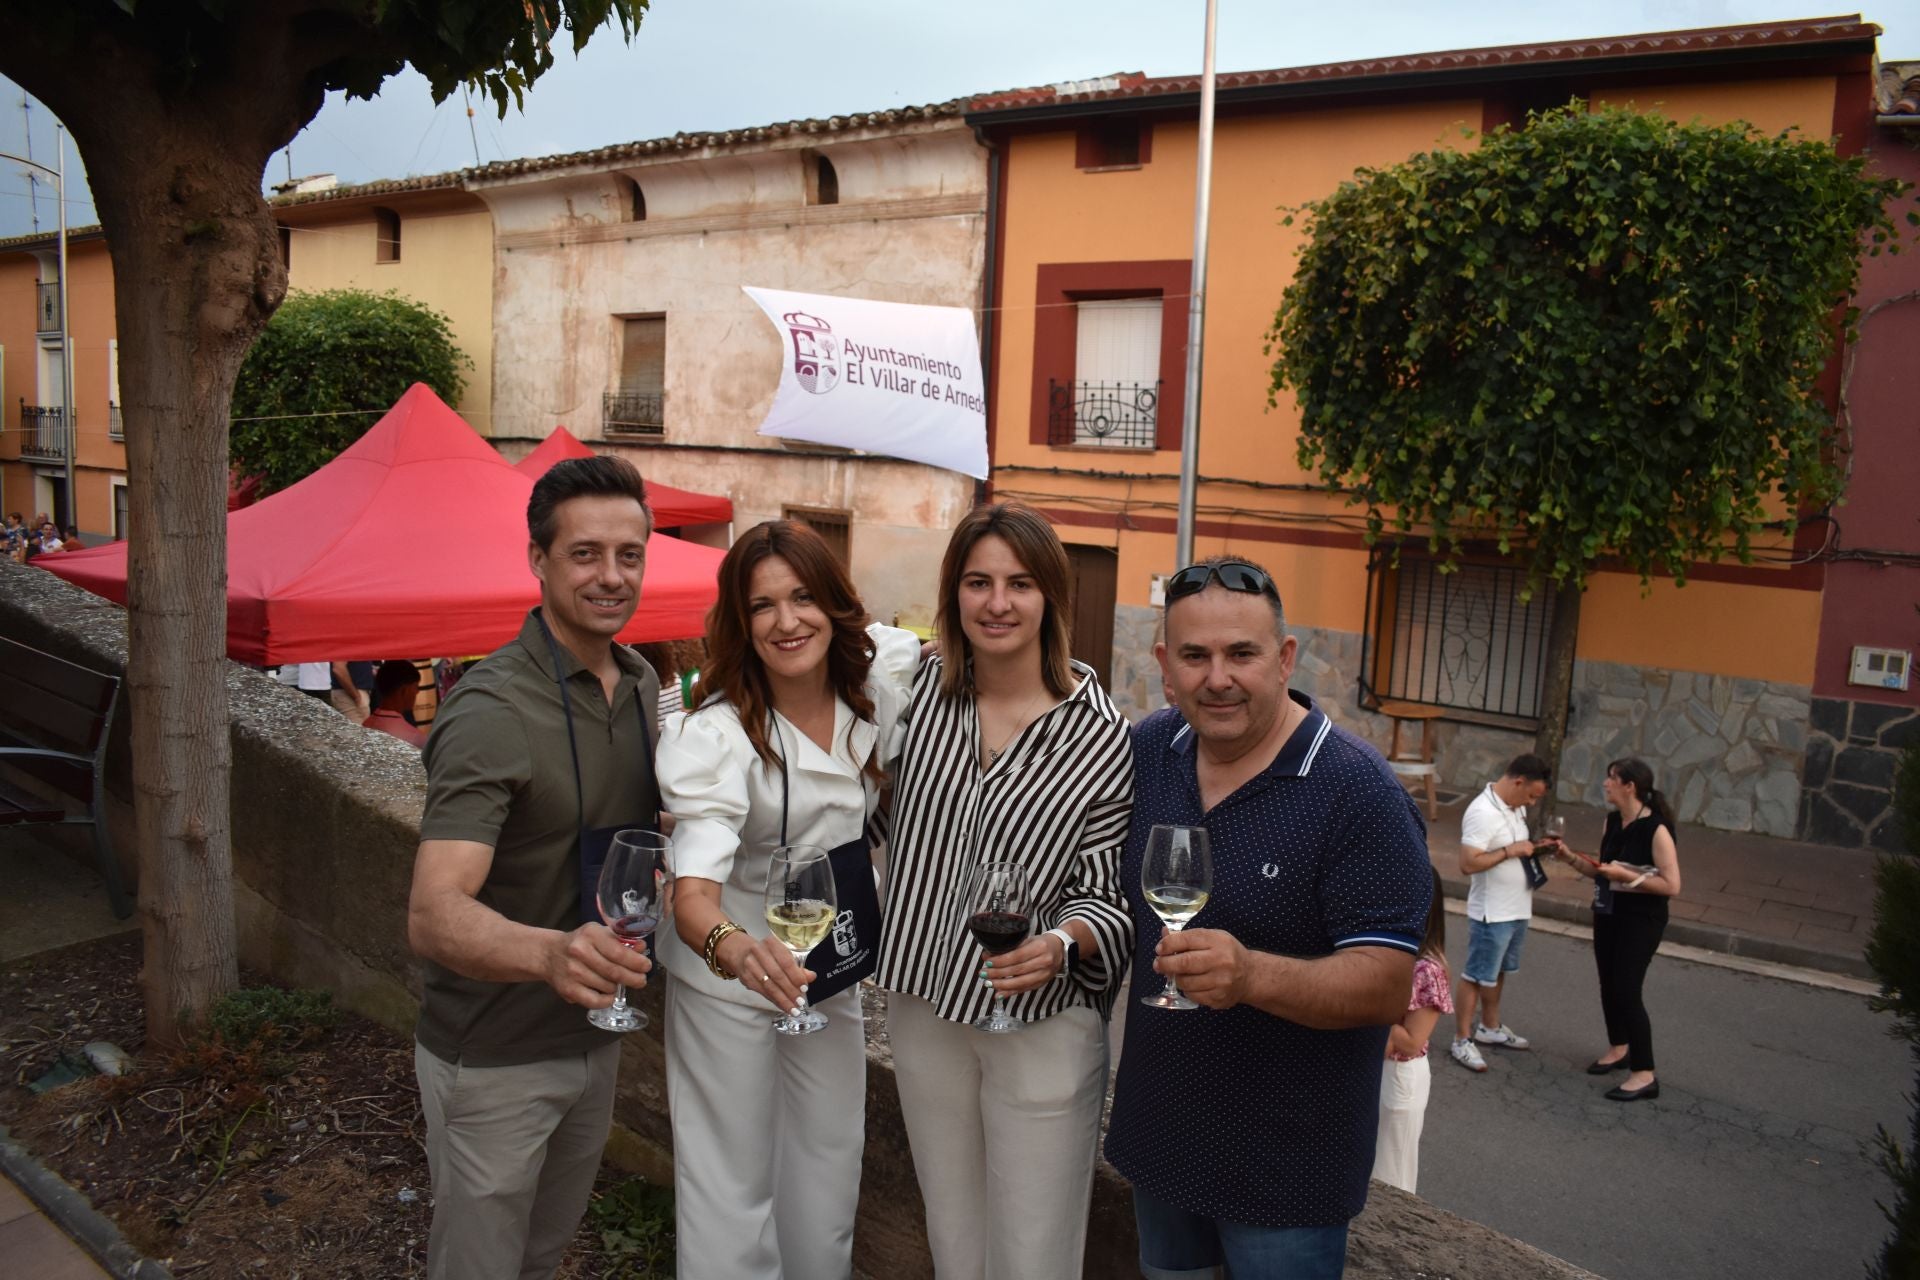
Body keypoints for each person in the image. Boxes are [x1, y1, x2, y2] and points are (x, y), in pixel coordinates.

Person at [1105, 556, 1431, 1279]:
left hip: (1286, 1177)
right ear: (1165, 664)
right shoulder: (1149, 752)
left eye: (1241, 653)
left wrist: (1250, 975)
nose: (1217, 677)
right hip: (1161, 1143)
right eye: (1195, 655)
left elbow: (1384, 983)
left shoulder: (1358, 791)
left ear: (1284, 659)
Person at [405, 455, 662, 1280]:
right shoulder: (490, 709)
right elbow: (434, 911)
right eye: (586, 553)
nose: (612, 576)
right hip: (495, 1055)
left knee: (541, 1259)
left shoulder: (642, 681)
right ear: (538, 559)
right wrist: (552, 953)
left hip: (596, 1036)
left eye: (630, 554)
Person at [877, 501, 1135, 1280]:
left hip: (1038, 1022)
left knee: (1033, 1252)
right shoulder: (913, 692)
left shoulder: (1101, 734)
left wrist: (1061, 943)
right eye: (978, 581)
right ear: (953, 594)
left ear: (1052, 597)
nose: (997, 602)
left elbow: (1109, 893)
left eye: (1019, 583)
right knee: (953, 1237)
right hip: (924, 1003)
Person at [655, 519, 918, 1279]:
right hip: (728, 977)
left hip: (824, 970)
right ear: (741, 623)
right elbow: (693, 896)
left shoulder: (877, 689)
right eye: (762, 605)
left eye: (803, 597)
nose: (786, 620)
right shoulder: (716, 737)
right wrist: (735, 950)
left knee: (829, 1167)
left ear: (834, 604)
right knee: (729, 1188)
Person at [1555, 756, 1682, 1102]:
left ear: (1630, 786)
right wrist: (1568, 856)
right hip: (1609, 913)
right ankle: (1618, 1047)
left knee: (1627, 988)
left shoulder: (1656, 829)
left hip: (1642, 919)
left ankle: (1644, 1073)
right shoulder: (1612, 821)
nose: (1605, 784)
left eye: (1612, 778)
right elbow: (1601, 871)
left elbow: (1672, 886)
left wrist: (1626, 876)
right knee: (1608, 984)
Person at [1447, 754, 1551, 1073]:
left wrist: (1537, 847)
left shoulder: (1514, 806)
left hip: (1517, 907)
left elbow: (1515, 849)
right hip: (1492, 912)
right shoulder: (1482, 812)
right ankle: (1462, 1039)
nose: (1532, 803)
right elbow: (1468, 863)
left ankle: (1489, 1027)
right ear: (1518, 782)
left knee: (1499, 971)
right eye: (1532, 795)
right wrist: (1510, 851)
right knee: (1476, 974)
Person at [1374, 867, 1452, 1194]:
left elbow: (1410, 1042)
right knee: (1374, 1165)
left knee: (1392, 1171)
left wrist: (1367, 1004)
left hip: (1399, 1077)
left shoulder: (1428, 969)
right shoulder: (1400, 955)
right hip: (1381, 1071)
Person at [362, 659, 428, 747]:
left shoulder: (366, 724)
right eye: (416, 687)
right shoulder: (415, 738)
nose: (417, 692)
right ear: (405, 690)